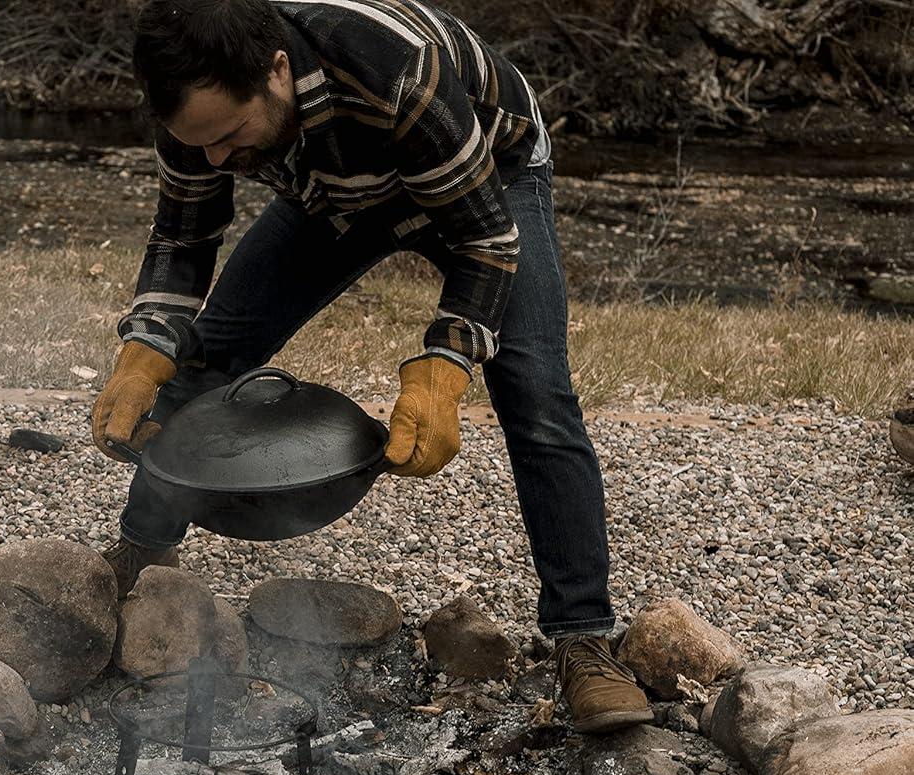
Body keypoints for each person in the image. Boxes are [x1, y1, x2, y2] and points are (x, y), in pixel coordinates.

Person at [90, 0, 652, 734]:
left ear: (277, 71)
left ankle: (584, 638)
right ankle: (137, 562)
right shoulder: (195, 120)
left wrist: (444, 367)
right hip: (334, 190)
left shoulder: (393, 71)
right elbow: (184, 236)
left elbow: (484, 241)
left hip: (489, 177)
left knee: (536, 394)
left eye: (230, 136)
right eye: (203, 146)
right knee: (207, 355)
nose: (219, 159)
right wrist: (147, 350)